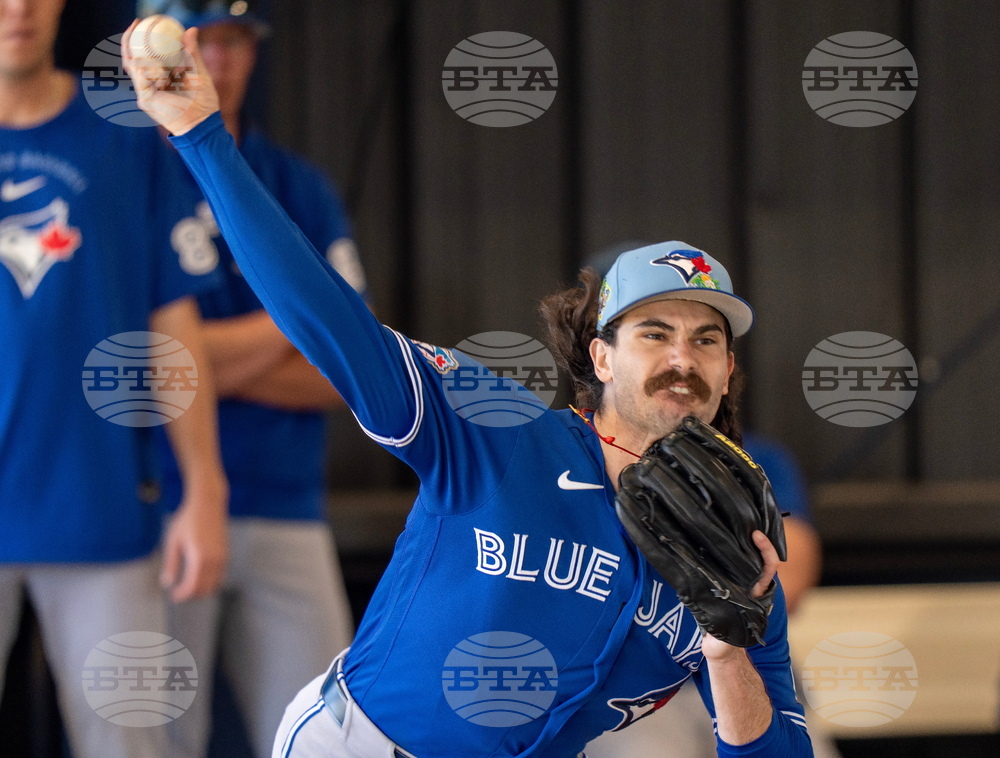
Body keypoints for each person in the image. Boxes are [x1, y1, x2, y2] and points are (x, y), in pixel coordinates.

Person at [123, 28, 814, 758]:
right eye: (654, 333)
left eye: (707, 339)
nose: (683, 357)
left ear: (729, 370)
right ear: (600, 356)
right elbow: (331, 322)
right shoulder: (499, 429)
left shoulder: (738, 545)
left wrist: (729, 650)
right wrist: (202, 136)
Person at [0, 2, 228, 758]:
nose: (19, 9)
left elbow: (172, 321)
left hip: (100, 513)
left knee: (133, 747)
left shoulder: (124, 136)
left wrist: (204, 484)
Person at [140, 2, 362, 756]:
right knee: (154, 741)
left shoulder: (297, 184)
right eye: (200, 39)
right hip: (160, 505)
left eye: (232, 40)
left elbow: (347, 367)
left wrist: (194, 360)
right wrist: (297, 322)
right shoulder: (129, 173)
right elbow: (130, 363)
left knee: (331, 739)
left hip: (288, 503)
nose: (217, 59)